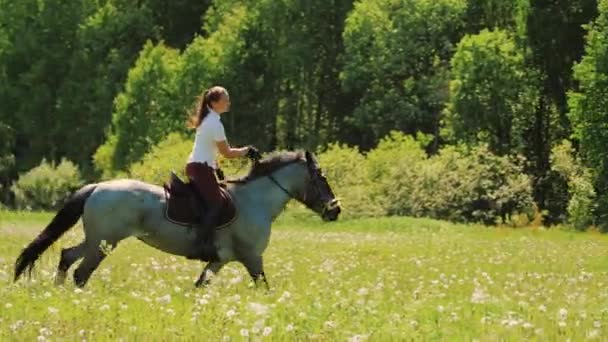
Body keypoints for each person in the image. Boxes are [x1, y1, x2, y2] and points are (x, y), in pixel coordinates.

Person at [185, 86, 262, 261]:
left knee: (214, 200)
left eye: (228, 99)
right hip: (201, 168)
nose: (228, 103)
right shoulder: (214, 123)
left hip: (199, 166)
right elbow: (226, 152)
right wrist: (246, 151)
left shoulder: (209, 119)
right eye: (225, 100)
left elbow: (210, 150)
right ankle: (200, 245)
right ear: (214, 103)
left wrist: (217, 169)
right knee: (217, 203)